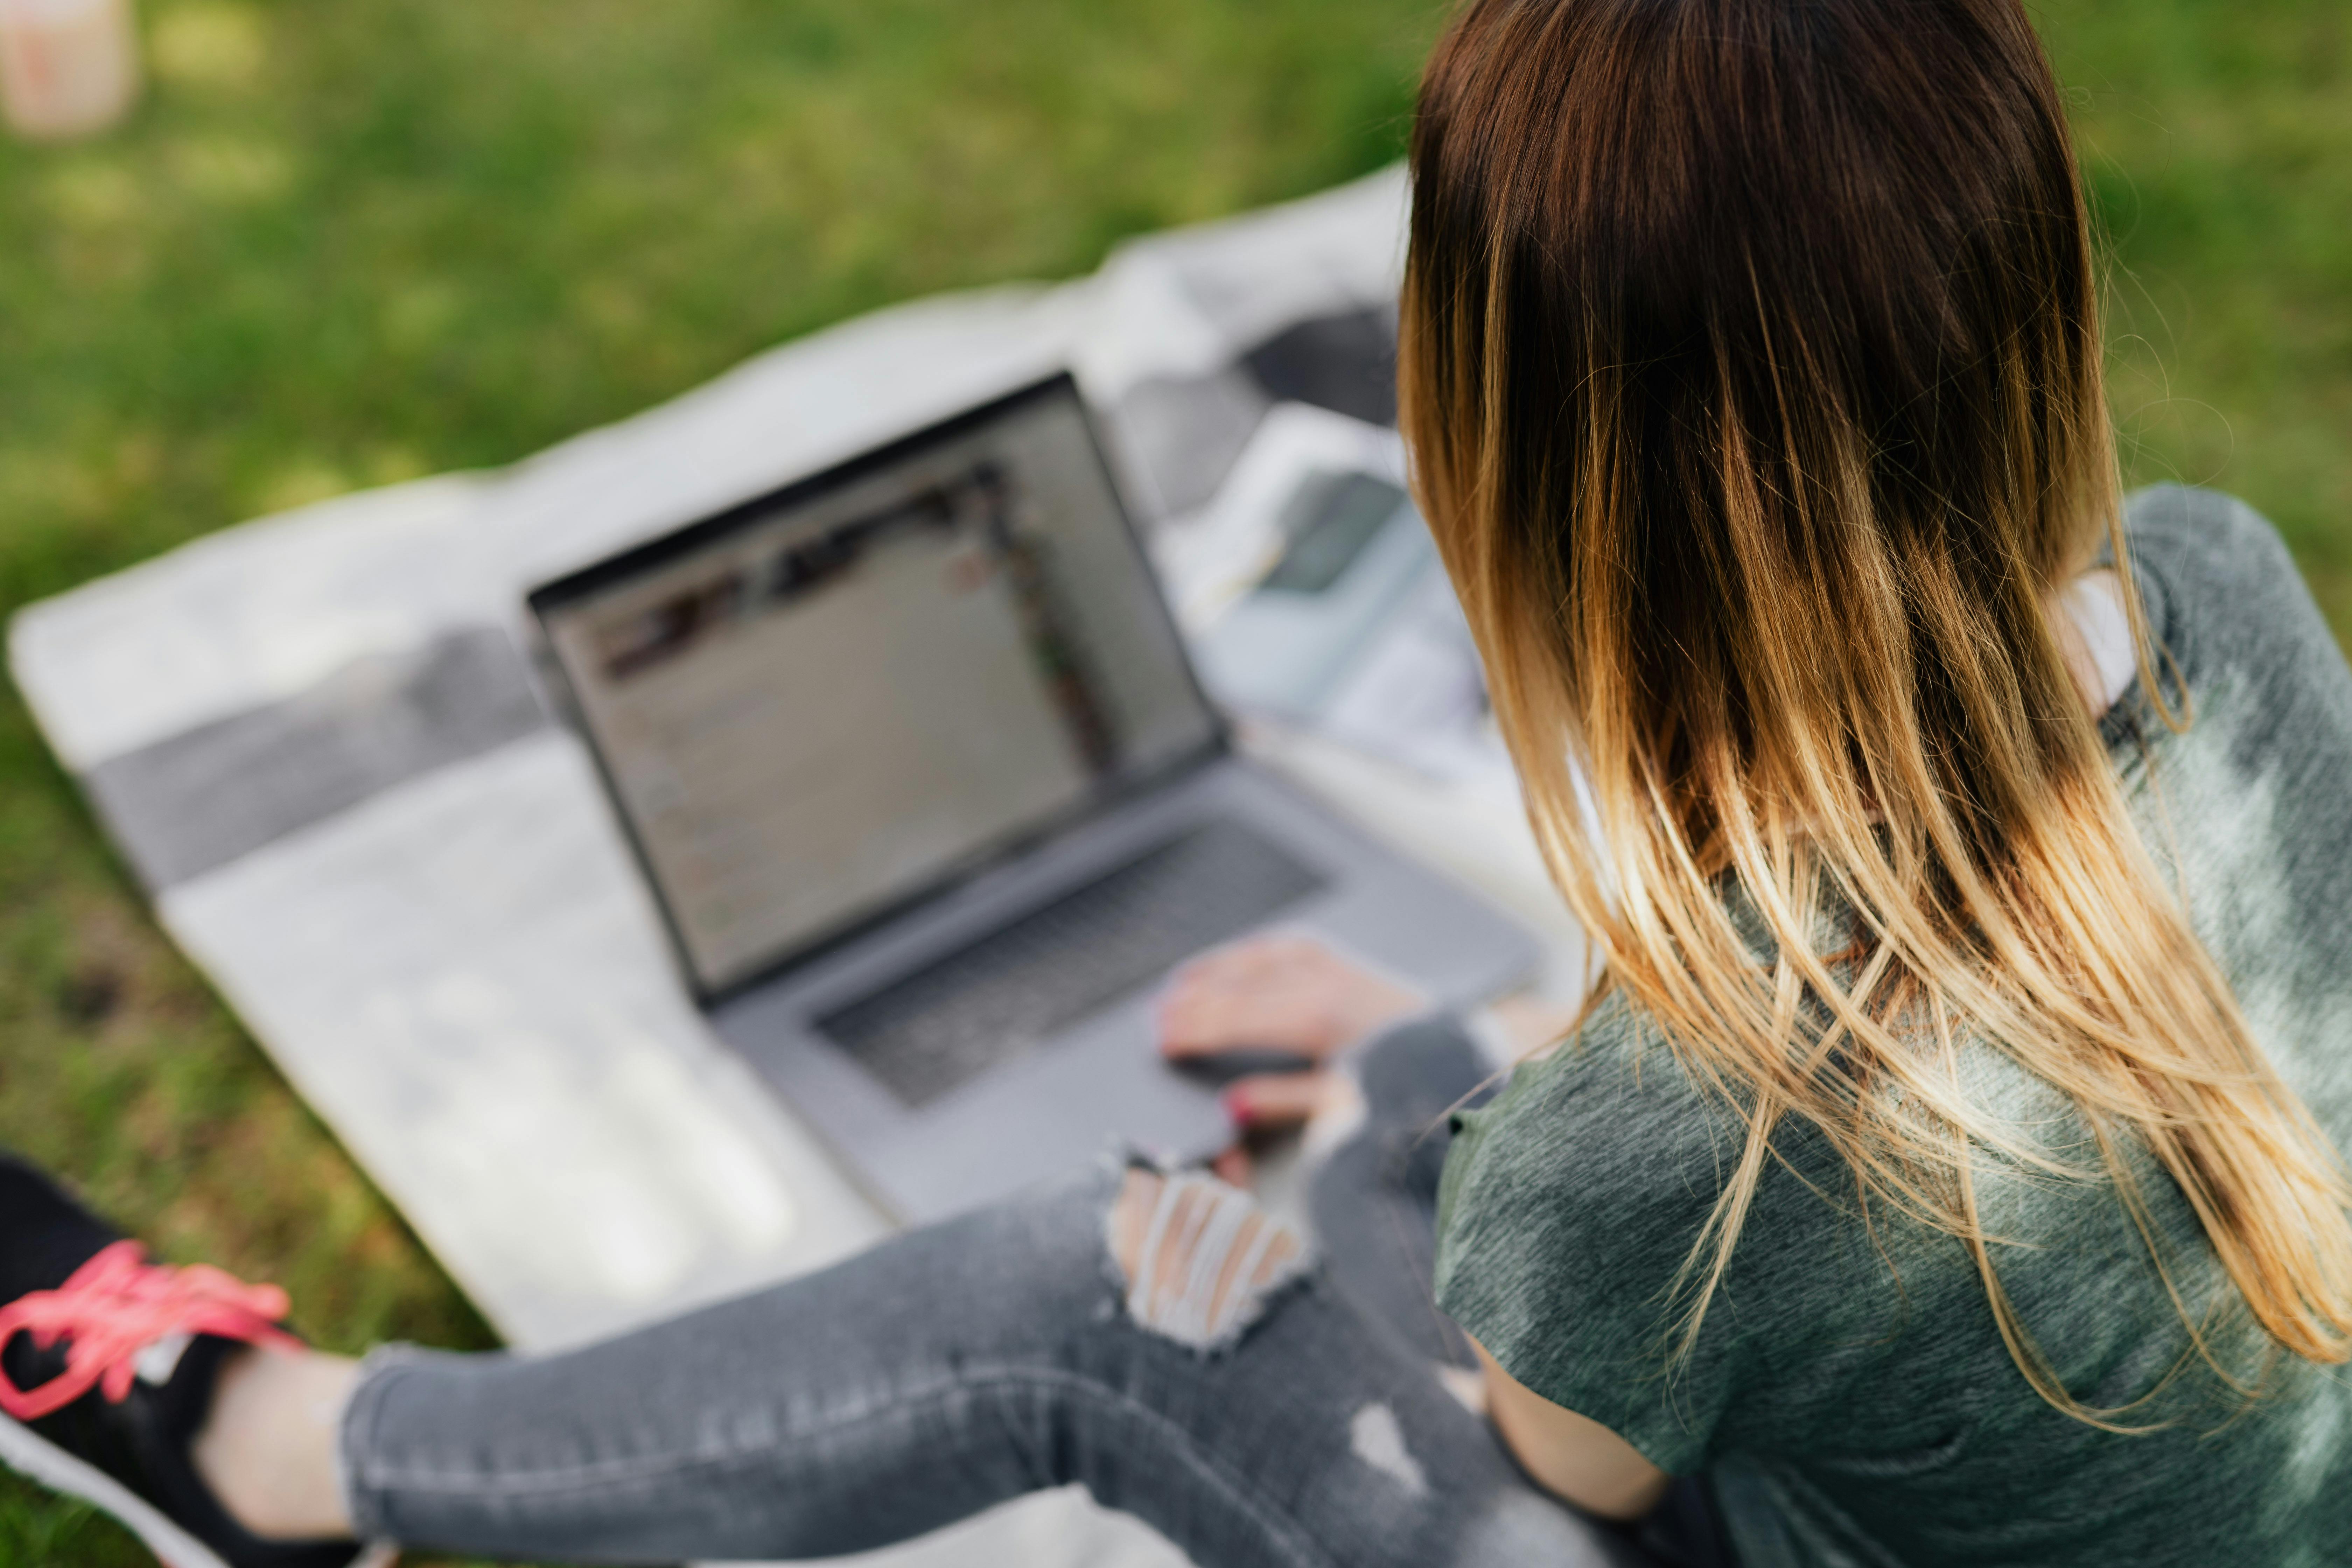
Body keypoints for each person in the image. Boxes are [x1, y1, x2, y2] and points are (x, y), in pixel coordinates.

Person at [7, 0, 2352, 1563]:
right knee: (1422, 1103)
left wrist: (1464, 1162)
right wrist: (1459, 1082)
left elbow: (1580, 1467)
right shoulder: (2224, 590)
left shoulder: (1668, 1154)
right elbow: (1868, 1095)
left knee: (1118, 1277)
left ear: (1510, 482)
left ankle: (290, 1465)